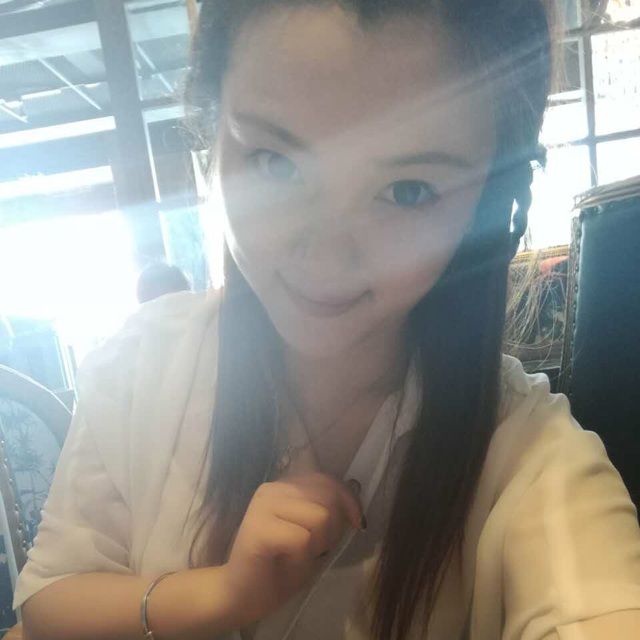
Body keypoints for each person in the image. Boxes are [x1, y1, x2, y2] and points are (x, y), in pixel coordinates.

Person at [14, 1, 640, 639]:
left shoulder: (523, 453)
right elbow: (47, 600)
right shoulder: (144, 366)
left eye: (408, 190)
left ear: (491, 198)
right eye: (275, 161)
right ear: (211, 129)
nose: (325, 256)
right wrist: (220, 595)